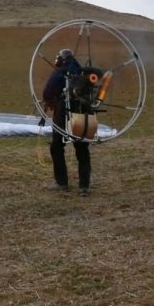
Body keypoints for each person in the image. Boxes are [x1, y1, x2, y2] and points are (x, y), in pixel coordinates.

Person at [42, 49, 92, 196]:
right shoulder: (83, 72)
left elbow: (48, 91)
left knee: (56, 147)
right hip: (84, 112)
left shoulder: (61, 71)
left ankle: (62, 183)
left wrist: (50, 101)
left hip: (63, 113)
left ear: (61, 59)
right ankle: (84, 187)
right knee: (82, 149)